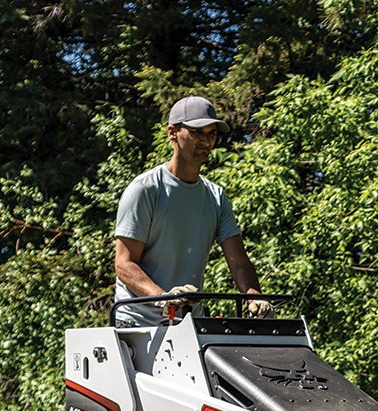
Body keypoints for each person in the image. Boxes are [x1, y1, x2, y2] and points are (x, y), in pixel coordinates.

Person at [113, 95, 270, 326]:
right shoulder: (145, 189)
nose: (206, 141)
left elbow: (238, 261)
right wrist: (164, 299)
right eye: (197, 132)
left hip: (188, 323)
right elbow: (124, 265)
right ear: (172, 133)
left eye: (211, 134)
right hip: (137, 324)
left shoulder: (215, 197)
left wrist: (254, 297)